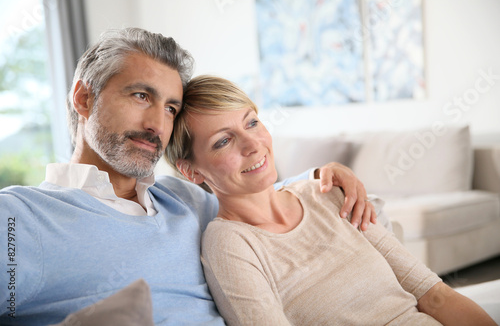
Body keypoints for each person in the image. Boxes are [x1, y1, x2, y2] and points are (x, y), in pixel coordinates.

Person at [0, 28, 376, 325]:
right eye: (140, 96)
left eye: (170, 108)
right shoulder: (20, 219)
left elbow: (255, 193)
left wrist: (319, 176)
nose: (156, 126)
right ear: (84, 99)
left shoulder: (185, 200)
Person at [166, 75, 497, 326]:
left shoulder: (327, 194)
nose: (253, 144)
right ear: (192, 171)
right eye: (224, 141)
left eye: (252, 122)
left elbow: (435, 296)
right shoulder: (230, 243)